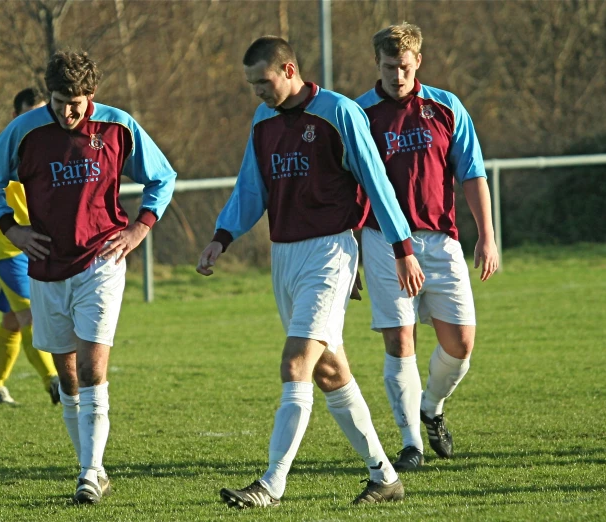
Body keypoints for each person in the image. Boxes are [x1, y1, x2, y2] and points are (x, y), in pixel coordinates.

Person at [197, 36, 425, 508]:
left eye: (264, 81)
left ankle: (271, 485)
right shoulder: (263, 122)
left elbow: (376, 182)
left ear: (289, 69)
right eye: (251, 84)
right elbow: (249, 189)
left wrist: (402, 247)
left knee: (295, 362)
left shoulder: (338, 113)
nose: (257, 92)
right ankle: (384, 477)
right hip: (284, 256)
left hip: (331, 252)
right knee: (328, 372)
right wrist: (222, 237)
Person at [0, 50, 176, 505]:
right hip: (46, 265)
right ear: (49, 93)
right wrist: (11, 227)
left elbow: (162, 177)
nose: (69, 112)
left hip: (100, 261)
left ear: (93, 96)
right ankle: (89, 465)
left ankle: (90, 472)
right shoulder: (25, 130)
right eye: (61, 100)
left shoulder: (117, 126)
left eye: (78, 103)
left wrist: (140, 227)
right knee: (67, 376)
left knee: (91, 366)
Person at [352, 22, 499, 471]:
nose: (397, 75)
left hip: (440, 241)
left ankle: (430, 407)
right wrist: (351, 253)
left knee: (461, 345)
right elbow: (348, 189)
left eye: (404, 66)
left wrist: (487, 237)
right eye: (388, 66)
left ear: (418, 62)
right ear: (377, 64)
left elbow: (471, 173)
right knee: (400, 340)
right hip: (381, 241)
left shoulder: (446, 107)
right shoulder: (359, 115)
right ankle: (410, 443)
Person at [0, 87, 60, 406]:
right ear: (15, 117)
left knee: (12, 321)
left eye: (42, 113)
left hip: (37, 246)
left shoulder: (50, 146)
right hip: (9, 246)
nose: (36, 121)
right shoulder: (6, 147)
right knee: (31, 316)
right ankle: (55, 384)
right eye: (29, 113)